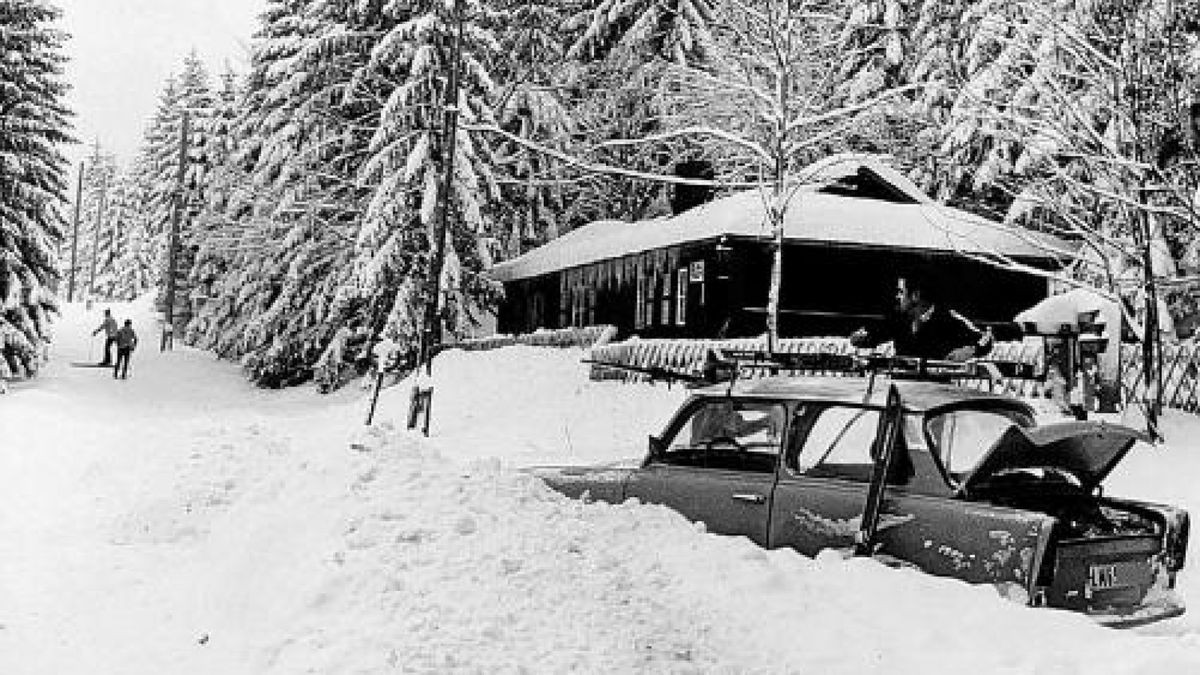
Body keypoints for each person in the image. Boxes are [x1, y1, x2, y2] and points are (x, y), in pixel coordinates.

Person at [849, 270, 994, 362]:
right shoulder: (899, 318)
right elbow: (875, 335)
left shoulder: (949, 319)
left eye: (901, 292)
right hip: (901, 389)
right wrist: (859, 338)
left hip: (936, 392)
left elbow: (985, 339)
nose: (897, 296)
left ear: (916, 295)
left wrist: (971, 350)